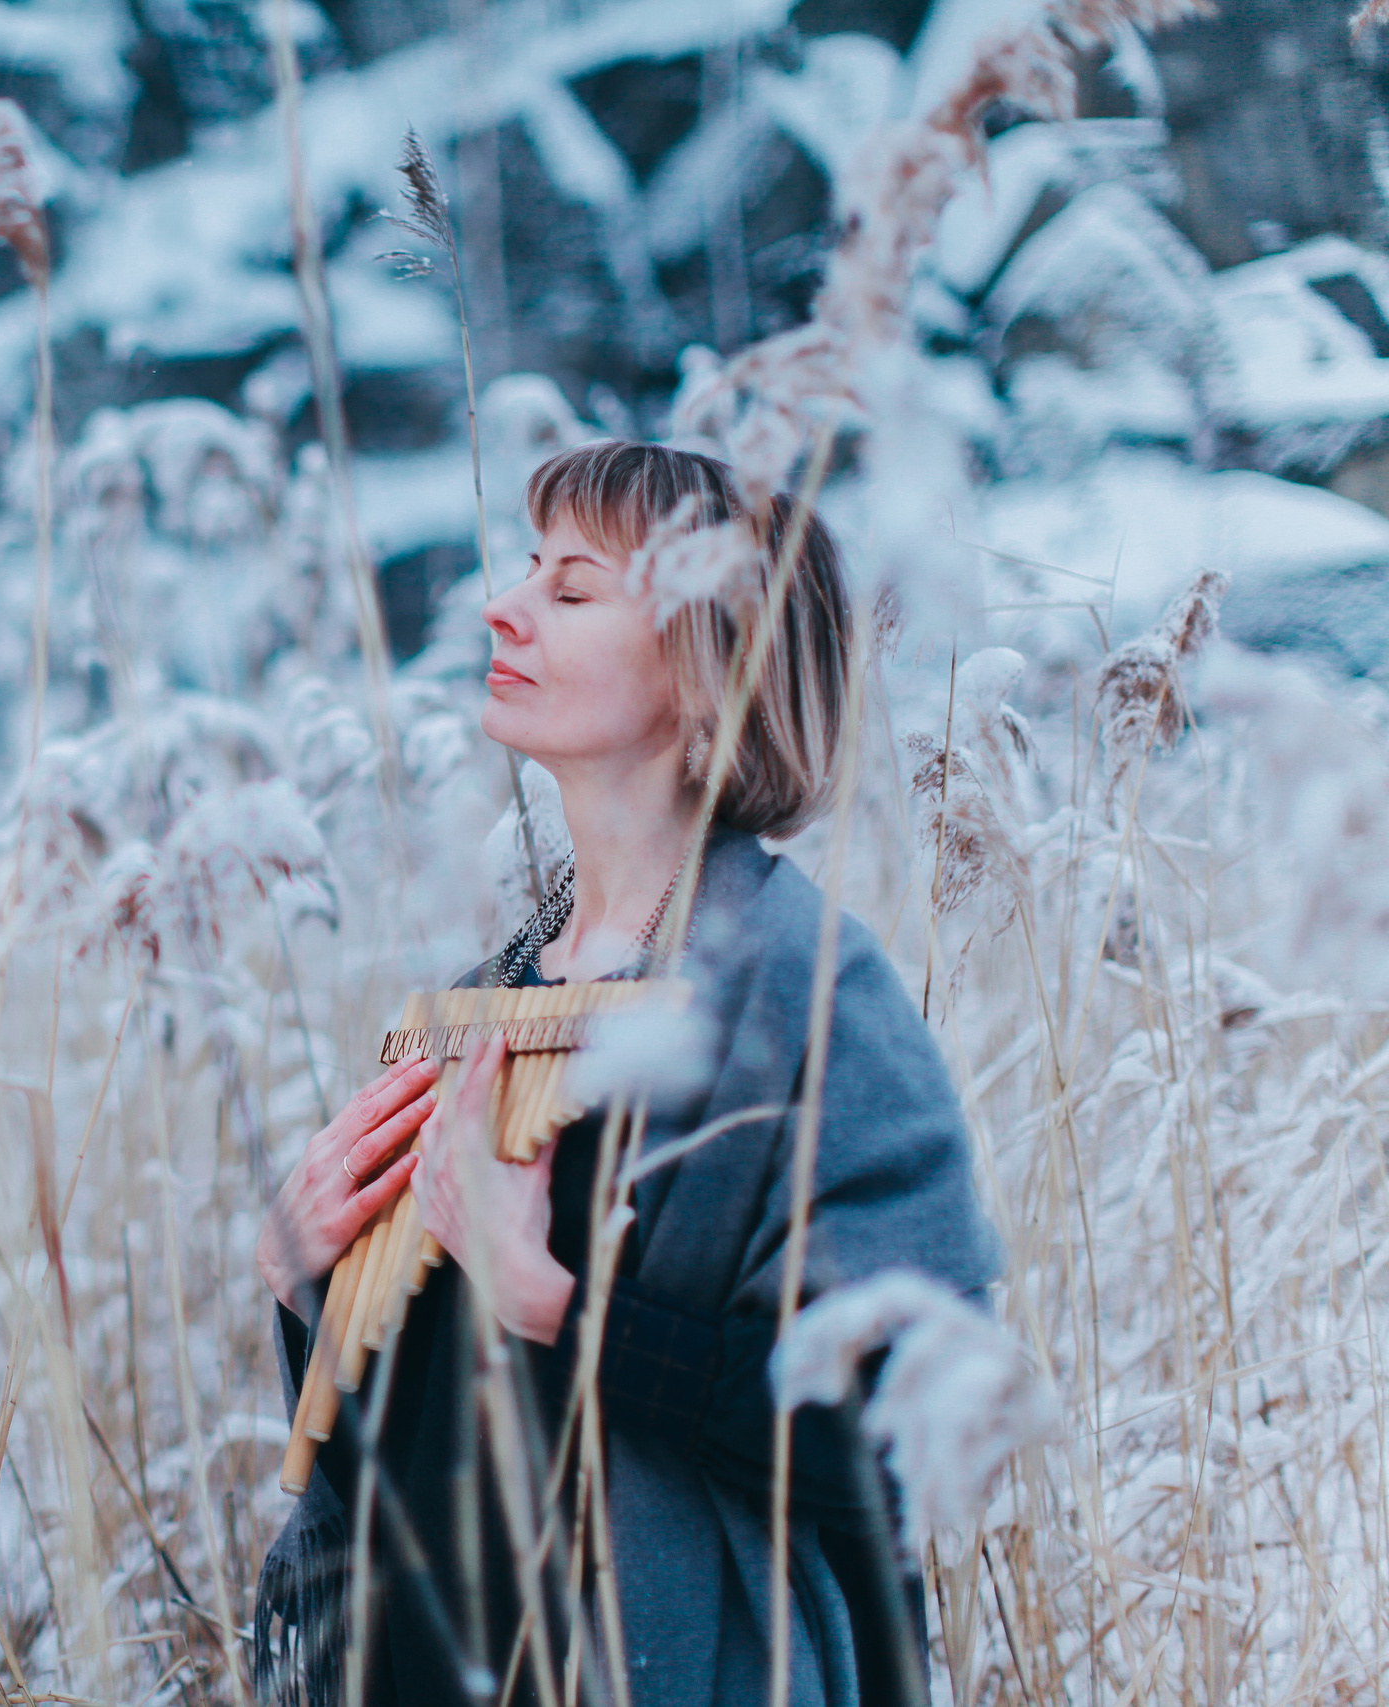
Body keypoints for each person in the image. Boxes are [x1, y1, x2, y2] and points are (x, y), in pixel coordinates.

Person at [250, 441, 1001, 1707]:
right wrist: (301, 1290)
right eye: (527, 568)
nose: (504, 605)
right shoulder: (501, 985)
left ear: (709, 664)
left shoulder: (805, 992)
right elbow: (415, 1456)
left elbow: (902, 1428)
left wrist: (558, 1303)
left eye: (573, 589)